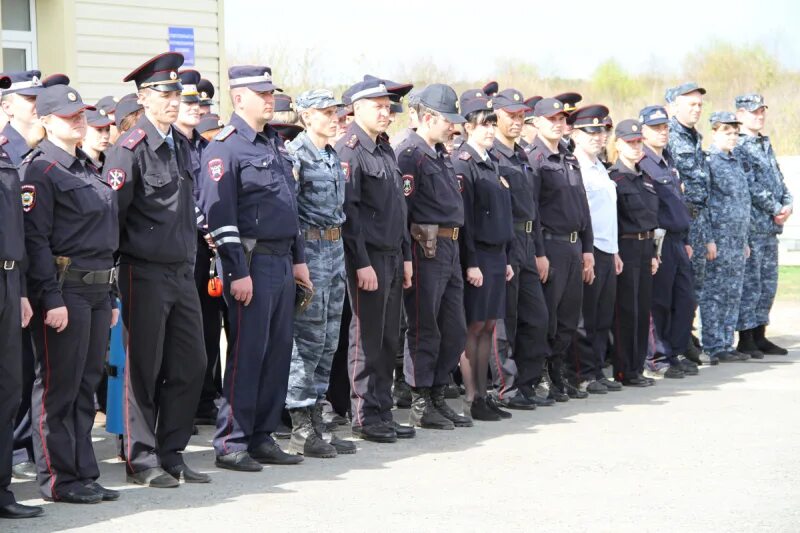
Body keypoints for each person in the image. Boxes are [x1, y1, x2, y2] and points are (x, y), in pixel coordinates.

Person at [103, 52, 209, 488]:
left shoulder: (181, 144)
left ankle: (172, 450)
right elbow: (112, 217)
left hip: (182, 271)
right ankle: (141, 459)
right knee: (142, 368)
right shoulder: (128, 150)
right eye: (164, 93)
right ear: (144, 98)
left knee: (192, 363)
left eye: (175, 93)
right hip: (142, 272)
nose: (172, 100)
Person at [199, 65, 311, 471]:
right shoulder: (225, 147)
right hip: (250, 263)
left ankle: (263, 435)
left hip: (281, 260)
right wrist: (236, 271)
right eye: (261, 93)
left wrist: (299, 261)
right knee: (247, 354)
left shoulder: (274, 145)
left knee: (278, 353)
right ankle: (232, 441)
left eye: (271, 93)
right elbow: (219, 216)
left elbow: (289, 209)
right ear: (239, 97)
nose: (269, 99)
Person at [21, 85, 120, 504]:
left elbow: (104, 237)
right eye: (69, 116)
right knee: (59, 388)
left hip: (98, 289)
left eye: (81, 114)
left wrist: (112, 295)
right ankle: (58, 479)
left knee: (85, 385)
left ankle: (83, 471)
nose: (79, 121)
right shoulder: (40, 170)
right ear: (45, 122)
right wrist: (51, 298)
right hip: (66, 289)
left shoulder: (86, 166)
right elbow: (35, 241)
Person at [335, 76, 415, 443]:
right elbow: (348, 215)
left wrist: (407, 256)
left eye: (388, 106)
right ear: (357, 109)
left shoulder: (384, 148)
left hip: (392, 256)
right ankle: (364, 414)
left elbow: (398, 208)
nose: (386, 112)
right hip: (367, 260)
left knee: (387, 338)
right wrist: (361, 262)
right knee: (365, 339)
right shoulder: (350, 150)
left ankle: (382, 408)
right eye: (378, 106)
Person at [283, 89, 356, 457]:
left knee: (328, 341)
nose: (335, 118)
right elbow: (290, 214)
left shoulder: (330, 155)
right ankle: (299, 426)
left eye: (337, 112)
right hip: (309, 254)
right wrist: (299, 263)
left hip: (334, 252)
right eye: (326, 113)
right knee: (306, 342)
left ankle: (317, 421)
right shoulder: (295, 155)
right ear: (307, 116)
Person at [398, 84, 471, 431]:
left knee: (454, 329)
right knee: (424, 327)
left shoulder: (440, 153)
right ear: (428, 118)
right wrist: (407, 257)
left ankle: (439, 392)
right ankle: (421, 399)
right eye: (448, 120)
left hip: (450, 247)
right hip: (425, 246)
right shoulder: (410, 154)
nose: (453, 128)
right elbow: (404, 210)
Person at [489, 88, 552, 410]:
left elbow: (534, 208)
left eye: (521, 116)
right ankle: (505, 389)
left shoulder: (522, 155)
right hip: (507, 242)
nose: (517, 121)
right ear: (495, 117)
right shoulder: (492, 155)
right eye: (511, 116)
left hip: (528, 242)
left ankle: (527, 383)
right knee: (506, 322)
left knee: (537, 319)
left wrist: (540, 251)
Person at [453, 91, 514, 420]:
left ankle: (485, 394)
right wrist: (471, 262)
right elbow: (468, 221)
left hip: (495, 255)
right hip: (477, 256)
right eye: (482, 124)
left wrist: (505, 258)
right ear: (467, 127)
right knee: (474, 327)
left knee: (489, 325)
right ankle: (472, 396)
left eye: (492, 123)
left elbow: (502, 217)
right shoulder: (465, 164)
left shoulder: (491, 163)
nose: (489, 129)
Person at [527, 97, 593, 401]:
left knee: (568, 316)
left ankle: (558, 371)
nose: (558, 124)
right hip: (550, 245)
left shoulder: (569, 157)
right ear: (537, 122)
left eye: (561, 119)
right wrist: (539, 252)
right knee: (548, 317)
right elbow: (534, 211)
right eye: (551, 119)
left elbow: (583, 205)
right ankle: (542, 373)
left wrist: (588, 248)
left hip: (573, 245)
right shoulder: (536, 158)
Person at [0, 72, 43, 520]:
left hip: (10, 281)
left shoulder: (7, 156)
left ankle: (3, 491)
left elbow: (20, 232)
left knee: (9, 388)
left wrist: (24, 290)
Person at [637, 105, 699, 376]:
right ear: (643, 131)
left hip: (677, 240)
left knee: (684, 300)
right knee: (659, 302)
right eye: (655, 128)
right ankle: (657, 358)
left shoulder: (667, 160)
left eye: (665, 127)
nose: (662, 132)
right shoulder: (643, 162)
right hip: (659, 242)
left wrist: (685, 238)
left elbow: (678, 205)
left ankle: (673, 352)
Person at [566, 104, 624, 393]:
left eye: (602, 131)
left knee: (602, 316)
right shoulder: (575, 165)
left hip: (605, 248)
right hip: (587, 248)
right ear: (575, 134)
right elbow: (582, 215)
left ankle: (598, 369)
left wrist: (613, 251)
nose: (599, 137)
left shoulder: (600, 166)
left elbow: (607, 214)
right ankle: (583, 373)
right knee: (584, 317)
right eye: (591, 132)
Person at [734, 93, 793, 357]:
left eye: (761, 111)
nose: (759, 116)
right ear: (740, 115)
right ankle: (746, 338)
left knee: (768, 284)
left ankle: (760, 335)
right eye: (752, 112)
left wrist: (788, 203)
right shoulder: (739, 145)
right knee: (750, 284)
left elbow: (778, 179)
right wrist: (775, 207)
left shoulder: (764, 144)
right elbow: (751, 186)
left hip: (770, 228)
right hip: (753, 227)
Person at [608, 119, 660, 386]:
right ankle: (623, 369)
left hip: (644, 247)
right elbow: (613, 221)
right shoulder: (614, 179)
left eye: (639, 141)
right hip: (625, 247)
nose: (635, 146)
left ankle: (637, 367)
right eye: (630, 142)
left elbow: (651, 219)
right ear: (617, 144)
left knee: (642, 310)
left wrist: (652, 252)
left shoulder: (646, 178)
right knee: (626, 311)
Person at [700, 112, 754, 364]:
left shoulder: (736, 161)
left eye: (735, 133)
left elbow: (742, 202)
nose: (732, 137)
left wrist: (744, 241)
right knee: (715, 293)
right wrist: (708, 239)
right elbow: (705, 203)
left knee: (733, 292)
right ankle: (713, 344)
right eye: (727, 132)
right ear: (714, 132)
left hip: (736, 239)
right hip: (718, 240)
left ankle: (726, 342)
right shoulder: (709, 161)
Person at [666, 82, 709, 359]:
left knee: (693, 287)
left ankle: (687, 338)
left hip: (698, 222)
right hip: (678, 222)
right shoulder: (667, 135)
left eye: (699, 105)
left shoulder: (695, 138)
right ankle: (675, 346)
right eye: (691, 104)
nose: (697, 109)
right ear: (674, 106)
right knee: (675, 288)